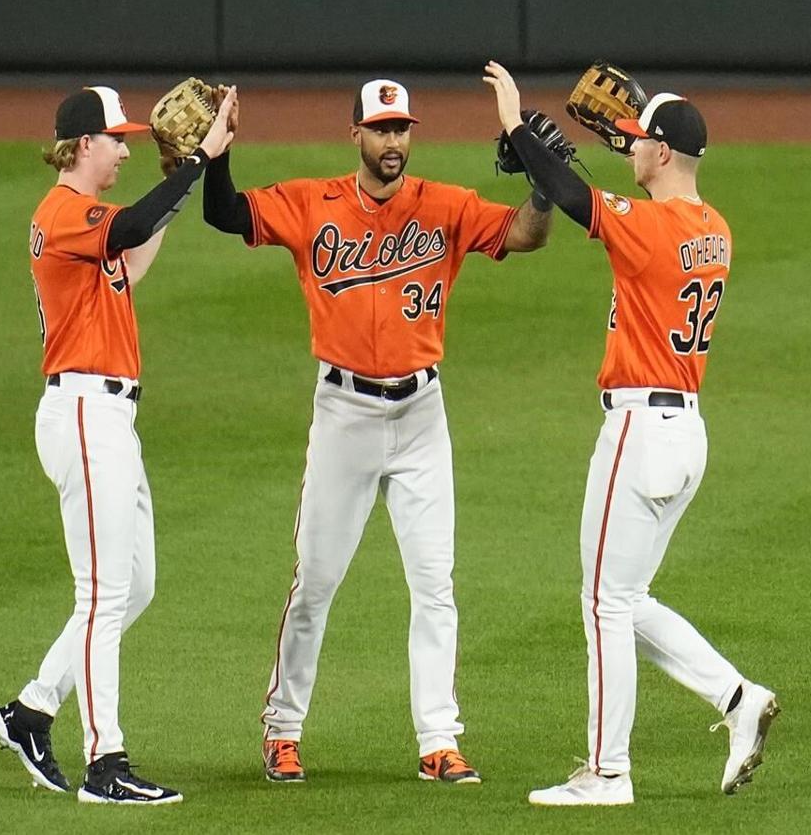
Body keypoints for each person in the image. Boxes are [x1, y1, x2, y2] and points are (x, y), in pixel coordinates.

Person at [203, 78, 552, 784]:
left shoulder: (445, 205)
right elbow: (224, 215)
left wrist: (543, 186)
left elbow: (523, 233)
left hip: (423, 415)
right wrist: (218, 154)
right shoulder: (310, 202)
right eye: (380, 129)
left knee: (434, 584)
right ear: (354, 133)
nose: (393, 142)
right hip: (344, 416)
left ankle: (438, 739)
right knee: (316, 582)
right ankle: (282, 731)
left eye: (402, 129)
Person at [483, 61, 780, 806]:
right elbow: (612, 180)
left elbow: (576, 198)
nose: (630, 148)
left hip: (639, 433)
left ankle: (606, 772)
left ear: (661, 153)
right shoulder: (713, 228)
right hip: (685, 435)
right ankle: (736, 695)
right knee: (624, 595)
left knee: (602, 603)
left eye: (639, 142)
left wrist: (517, 123)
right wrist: (618, 139)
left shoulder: (649, 226)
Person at [0, 84, 237, 805]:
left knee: (136, 585)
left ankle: (32, 709)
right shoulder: (63, 212)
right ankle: (105, 764)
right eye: (116, 139)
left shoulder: (83, 222)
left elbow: (127, 260)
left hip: (106, 416)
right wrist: (196, 163)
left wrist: (175, 181)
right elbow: (126, 230)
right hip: (84, 413)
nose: (126, 148)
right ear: (81, 145)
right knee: (102, 593)